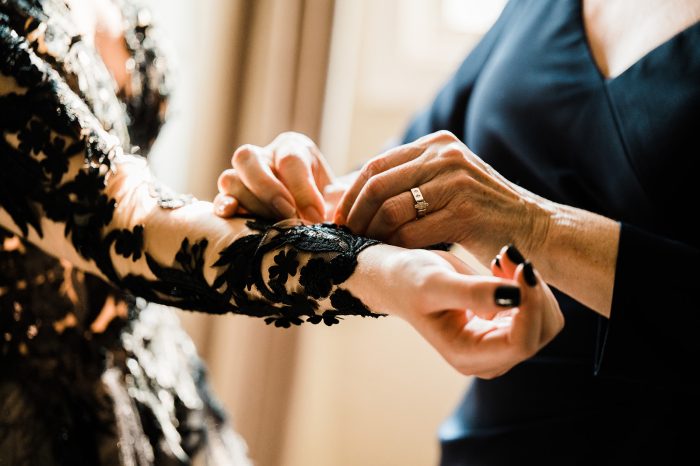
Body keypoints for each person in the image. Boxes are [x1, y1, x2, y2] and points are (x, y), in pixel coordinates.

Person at [0, 0, 563, 464]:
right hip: (40, 412)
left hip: (156, 372)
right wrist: (376, 270)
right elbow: (123, 223)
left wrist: (320, 202)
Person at [215, 0, 700, 464]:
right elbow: (414, 175)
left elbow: (484, 200)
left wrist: (534, 226)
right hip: (488, 445)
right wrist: (298, 188)